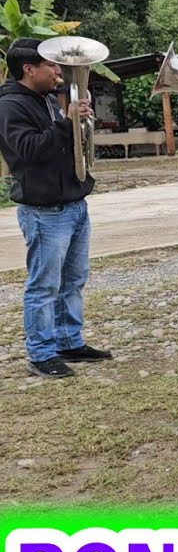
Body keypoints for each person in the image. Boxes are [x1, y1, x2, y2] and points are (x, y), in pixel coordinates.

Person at [0, 38, 113, 378]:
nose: (57, 70)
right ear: (28, 69)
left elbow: (67, 142)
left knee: (74, 280)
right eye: (50, 64)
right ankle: (40, 353)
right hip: (44, 210)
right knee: (44, 286)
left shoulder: (48, 99)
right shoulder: (9, 106)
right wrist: (66, 124)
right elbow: (28, 151)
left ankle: (68, 341)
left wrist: (79, 124)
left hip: (73, 203)